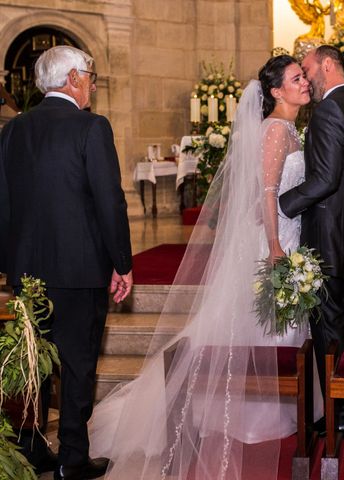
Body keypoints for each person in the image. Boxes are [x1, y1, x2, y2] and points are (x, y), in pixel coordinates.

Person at [87, 55, 322, 480]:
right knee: (266, 321)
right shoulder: (274, 131)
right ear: (274, 92)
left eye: (303, 76)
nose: (304, 83)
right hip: (274, 241)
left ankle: (282, 405)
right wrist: (273, 246)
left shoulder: (288, 128)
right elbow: (266, 193)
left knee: (277, 323)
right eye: (295, 78)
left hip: (286, 234)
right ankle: (255, 413)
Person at [0, 45, 133, 480]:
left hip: (25, 274)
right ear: (73, 79)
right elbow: (109, 202)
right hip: (79, 272)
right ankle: (72, 458)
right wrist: (122, 262)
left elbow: (2, 202)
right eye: (90, 75)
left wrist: (8, 265)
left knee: (31, 361)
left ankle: (31, 449)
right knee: (77, 365)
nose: (93, 83)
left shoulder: (13, 130)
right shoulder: (91, 127)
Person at [279, 45, 344, 438]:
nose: (306, 78)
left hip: (325, 236)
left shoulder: (327, 110)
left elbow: (325, 180)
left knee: (327, 327)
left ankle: (340, 413)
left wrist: (281, 204)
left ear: (327, 64)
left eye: (307, 69)